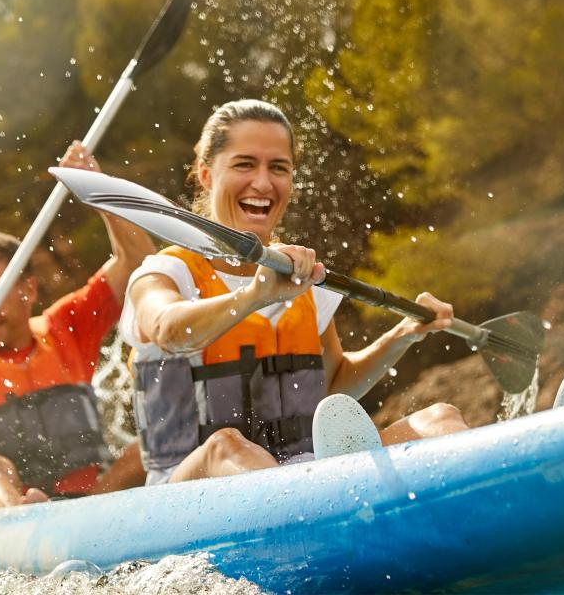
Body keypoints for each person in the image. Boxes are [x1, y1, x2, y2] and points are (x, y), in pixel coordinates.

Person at [122, 100, 469, 485]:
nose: (263, 182)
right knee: (228, 446)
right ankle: (330, 508)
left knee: (441, 419)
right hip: (189, 488)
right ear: (205, 174)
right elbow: (169, 330)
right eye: (244, 164)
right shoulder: (164, 272)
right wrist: (254, 295)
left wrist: (402, 334)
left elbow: (334, 383)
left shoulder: (302, 279)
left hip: (301, 472)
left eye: (279, 168)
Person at [0, 141, 155, 510]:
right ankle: (24, 513)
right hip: (4, 512)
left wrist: (96, 187)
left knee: (147, 448)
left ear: (28, 290)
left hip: (85, 504)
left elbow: (140, 262)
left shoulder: (67, 328)